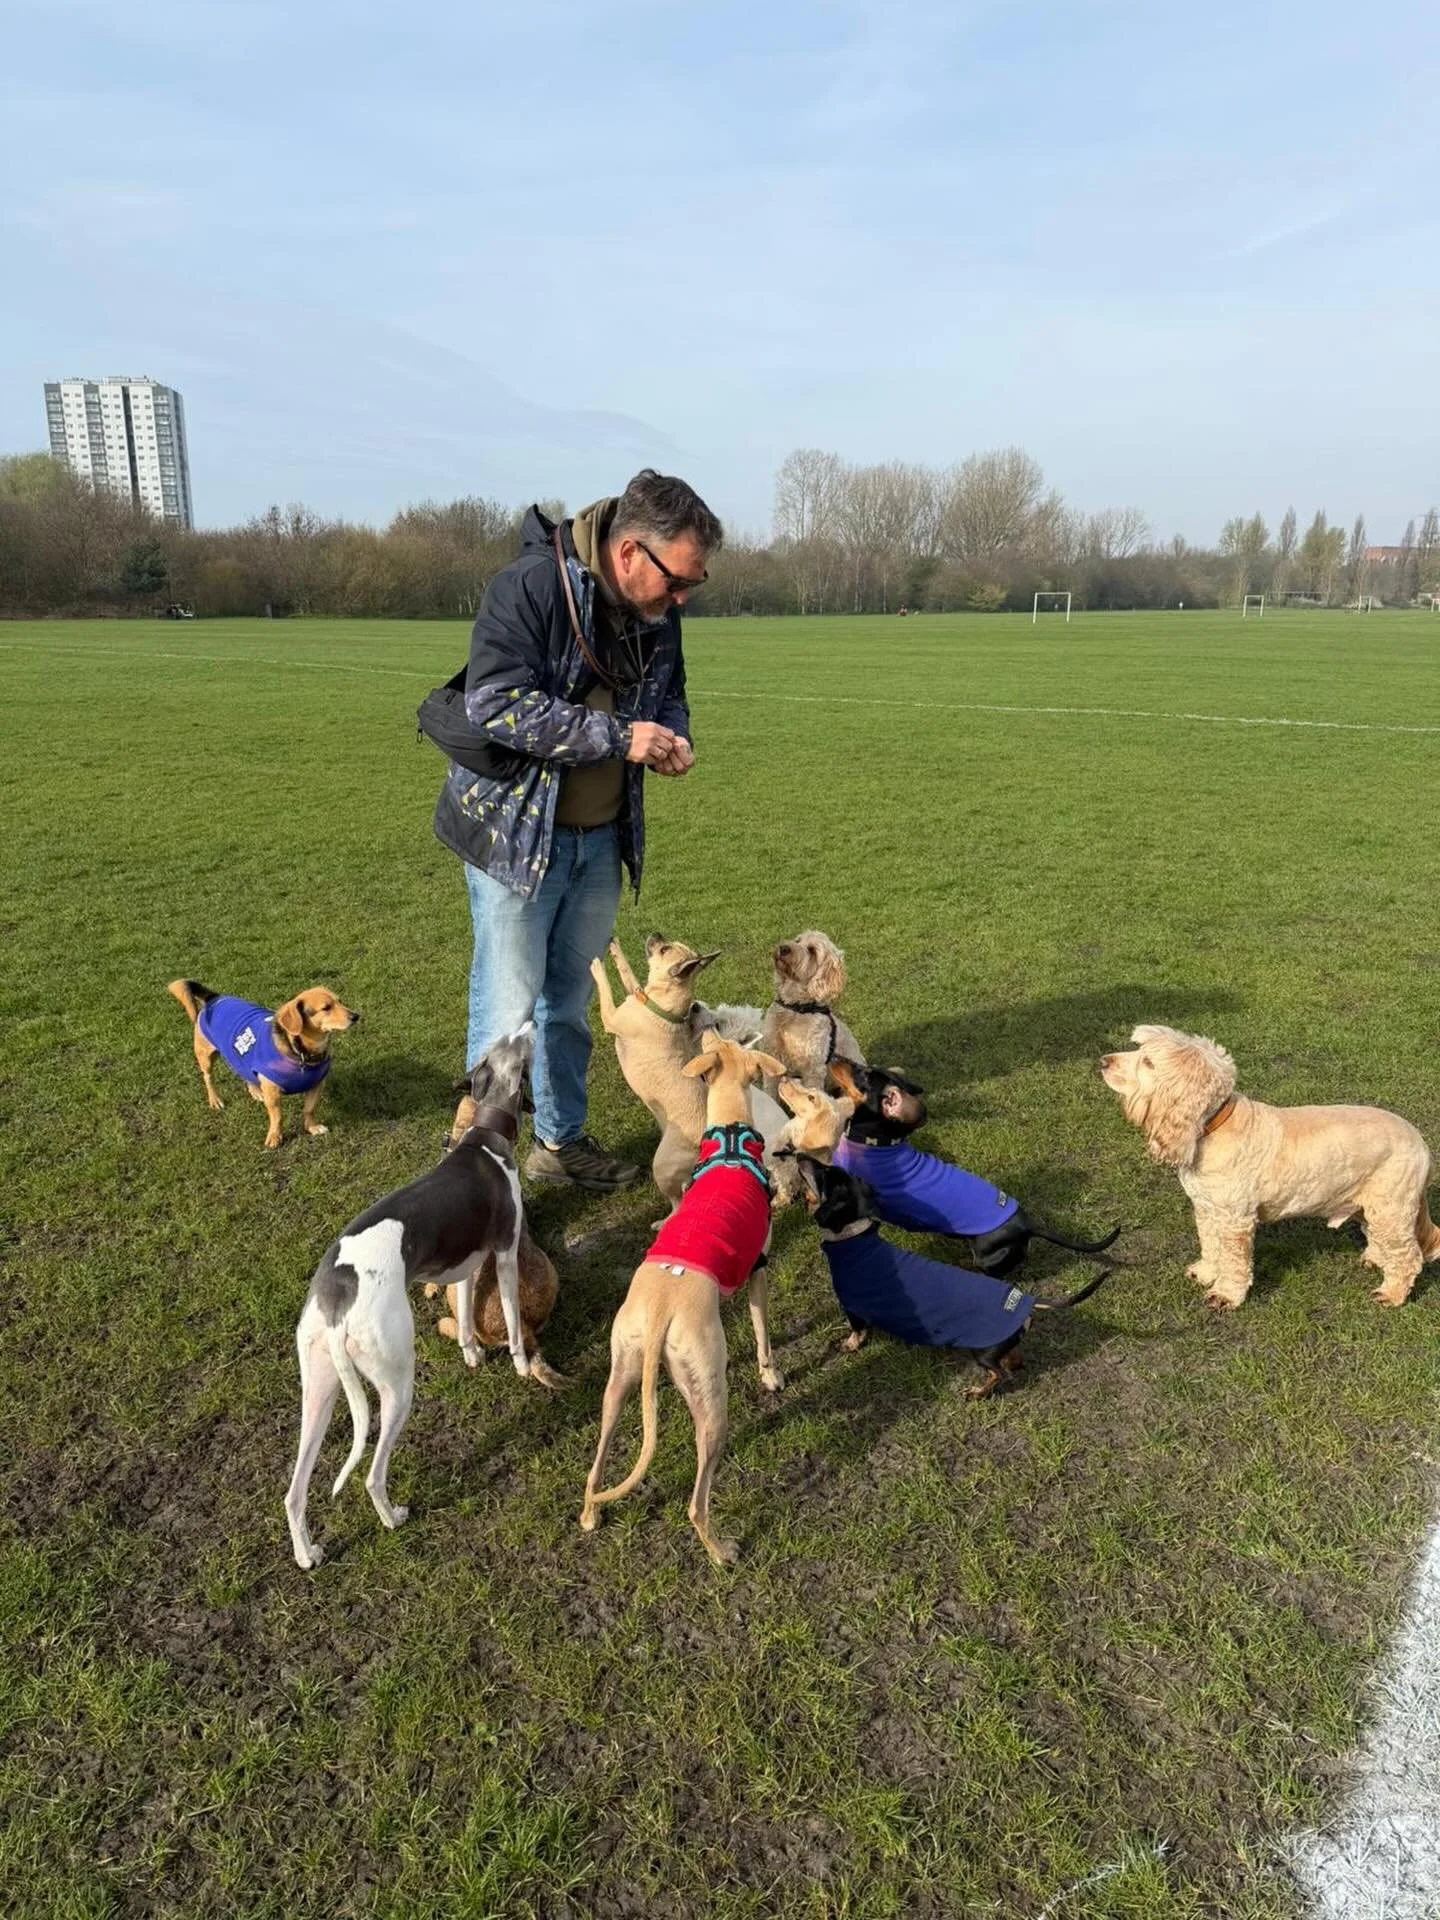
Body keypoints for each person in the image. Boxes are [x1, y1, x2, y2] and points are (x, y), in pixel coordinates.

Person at [433, 468, 723, 1191]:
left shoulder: (659, 613)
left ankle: (558, 1146)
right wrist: (619, 737)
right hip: (515, 843)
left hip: (599, 841)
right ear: (629, 553)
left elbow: (671, 694)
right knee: (507, 1010)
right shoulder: (530, 587)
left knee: (566, 1004)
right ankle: (482, 1179)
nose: (683, 598)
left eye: (694, 585)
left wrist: (673, 738)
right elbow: (494, 705)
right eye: (678, 581)